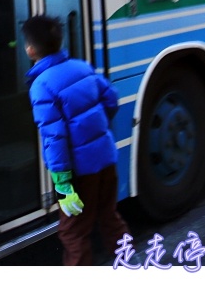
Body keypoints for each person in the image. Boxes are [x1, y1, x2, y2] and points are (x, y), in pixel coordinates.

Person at [22, 14, 129, 266]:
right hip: (106, 160)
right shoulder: (83, 67)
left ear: (30, 49)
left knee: (73, 232)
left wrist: (62, 182)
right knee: (109, 217)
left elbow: (54, 136)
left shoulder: (41, 85)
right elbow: (111, 100)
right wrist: (94, 130)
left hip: (80, 172)